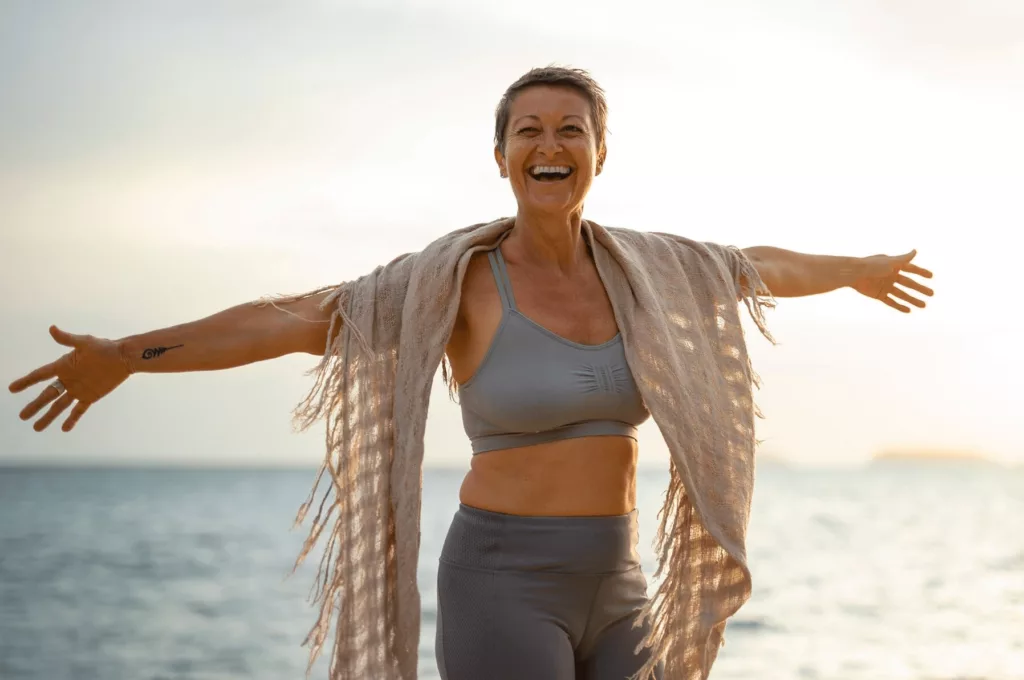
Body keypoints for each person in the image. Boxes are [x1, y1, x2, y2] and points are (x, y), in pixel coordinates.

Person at [8, 66, 934, 680]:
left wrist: (853, 271)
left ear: (598, 155)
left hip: (618, 581)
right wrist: (130, 355)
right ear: (501, 158)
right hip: (503, 579)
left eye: (572, 129)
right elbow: (289, 321)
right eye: (529, 130)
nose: (550, 144)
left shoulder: (652, 272)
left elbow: (753, 266)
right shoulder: (451, 284)